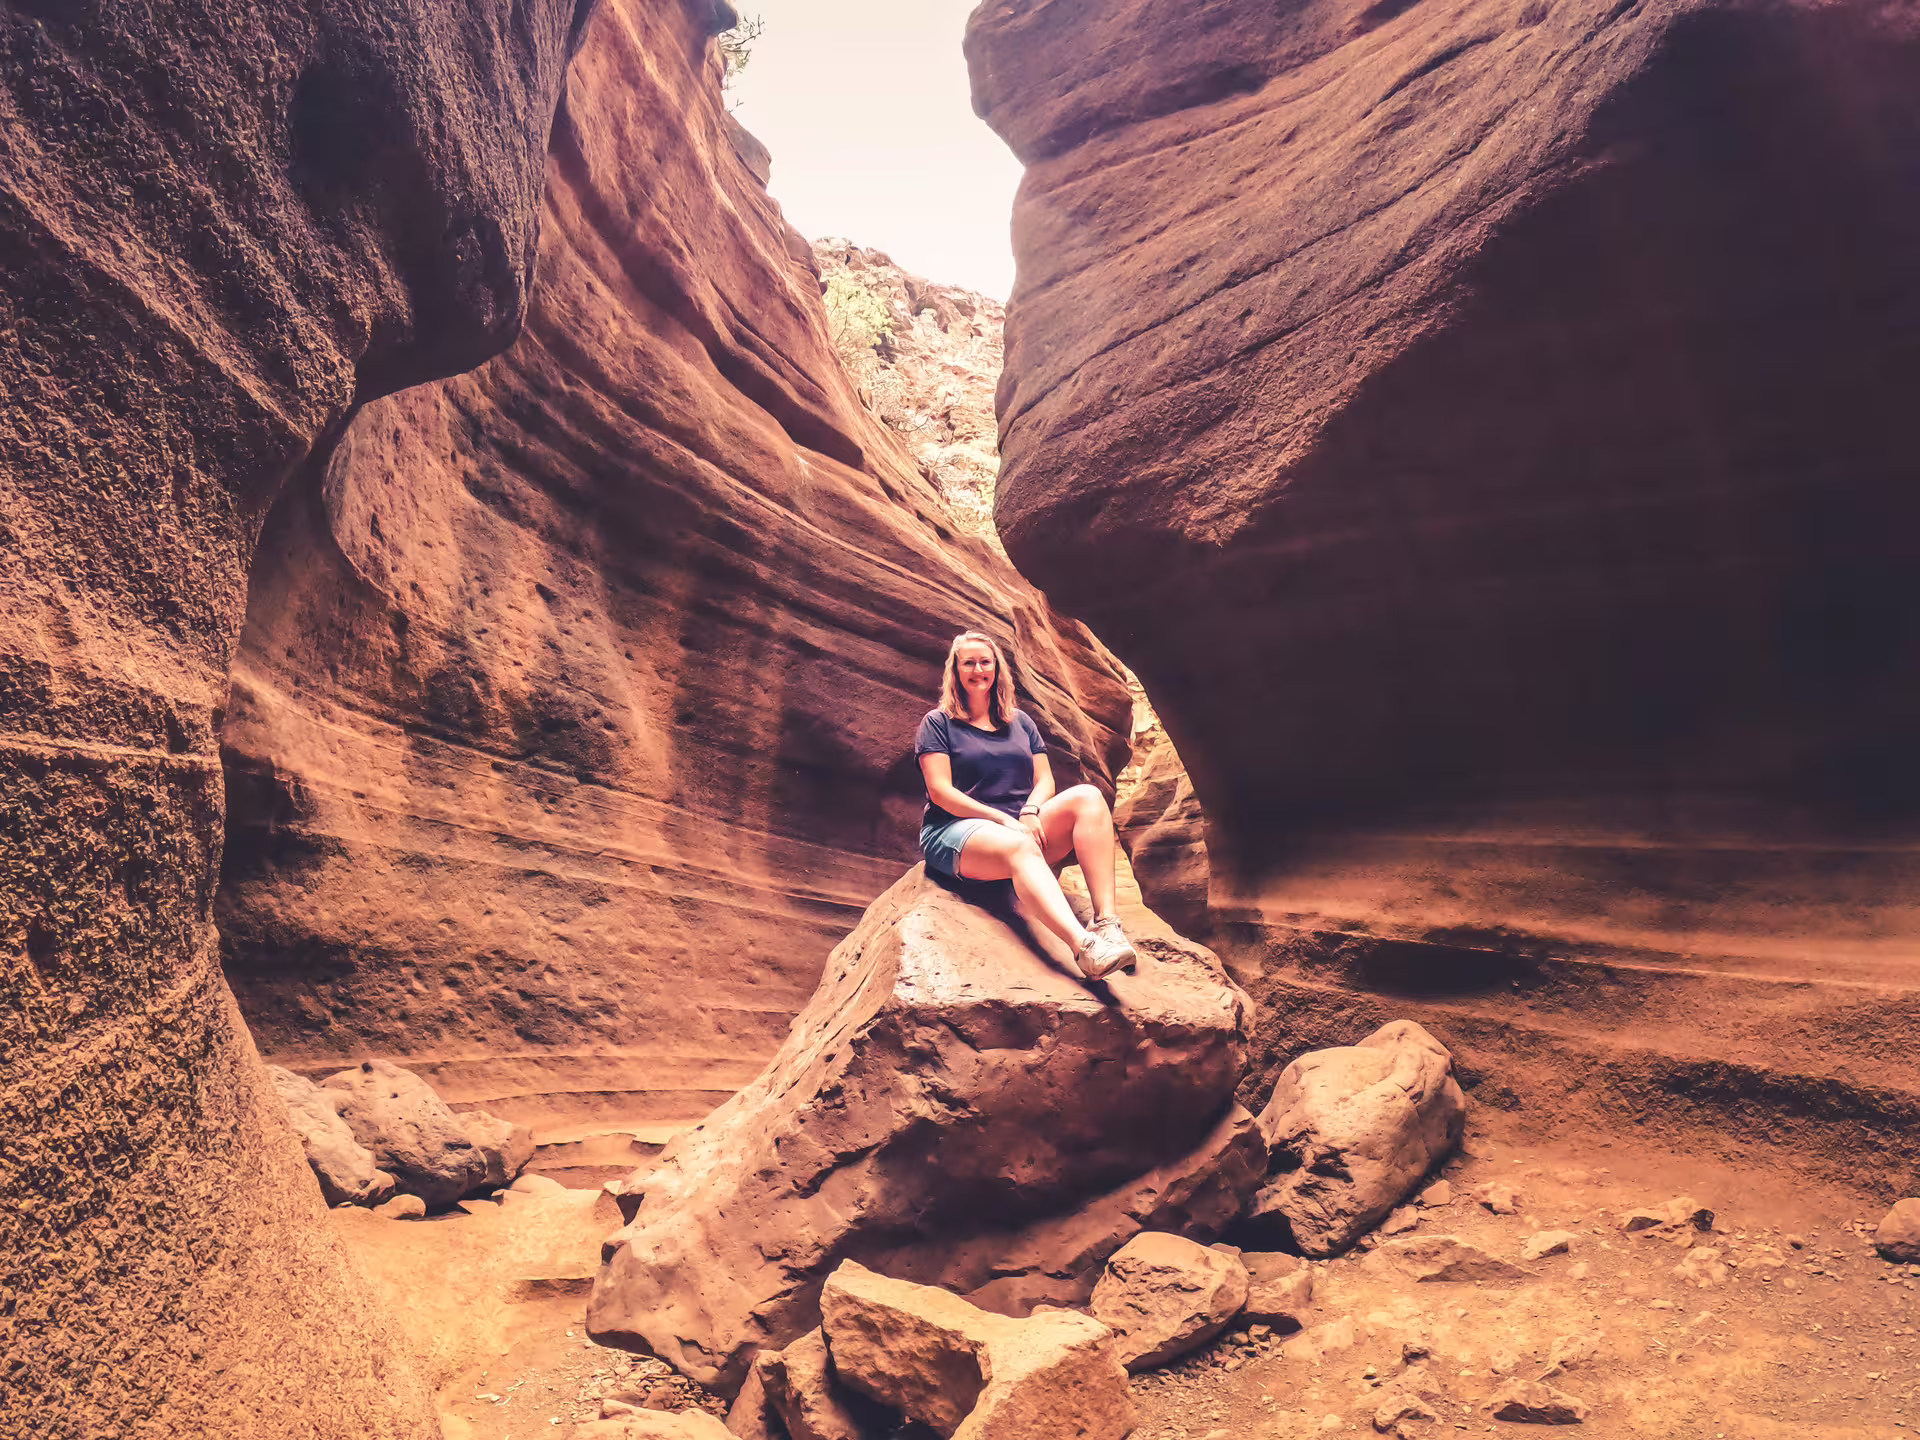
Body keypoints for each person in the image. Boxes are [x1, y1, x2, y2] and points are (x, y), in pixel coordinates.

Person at [915, 630, 1138, 979]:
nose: (978, 669)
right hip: (955, 831)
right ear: (955, 671)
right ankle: (1085, 950)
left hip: (1017, 826)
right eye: (968, 663)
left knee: (1089, 797)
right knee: (1018, 842)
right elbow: (941, 792)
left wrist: (1031, 811)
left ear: (997, 669)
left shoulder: (1020, 722)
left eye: (985, 662)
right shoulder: (938, 723)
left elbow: (1044, 780)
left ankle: (1107, 924)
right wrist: (1003, 821)